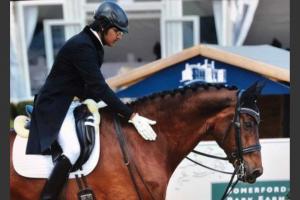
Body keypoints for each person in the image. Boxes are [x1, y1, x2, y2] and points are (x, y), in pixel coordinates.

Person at [26, 2, 157, 199]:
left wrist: (116, 106)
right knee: (73, 148)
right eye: (117, 31)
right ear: (102, 27)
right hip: (54, 106)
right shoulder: (83, 46)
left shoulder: (92, 45)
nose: (120, 36)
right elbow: (99, 87)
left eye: (122, 32)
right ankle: (48, 196)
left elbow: (89, 88)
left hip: (69, 102)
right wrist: (131, 115)